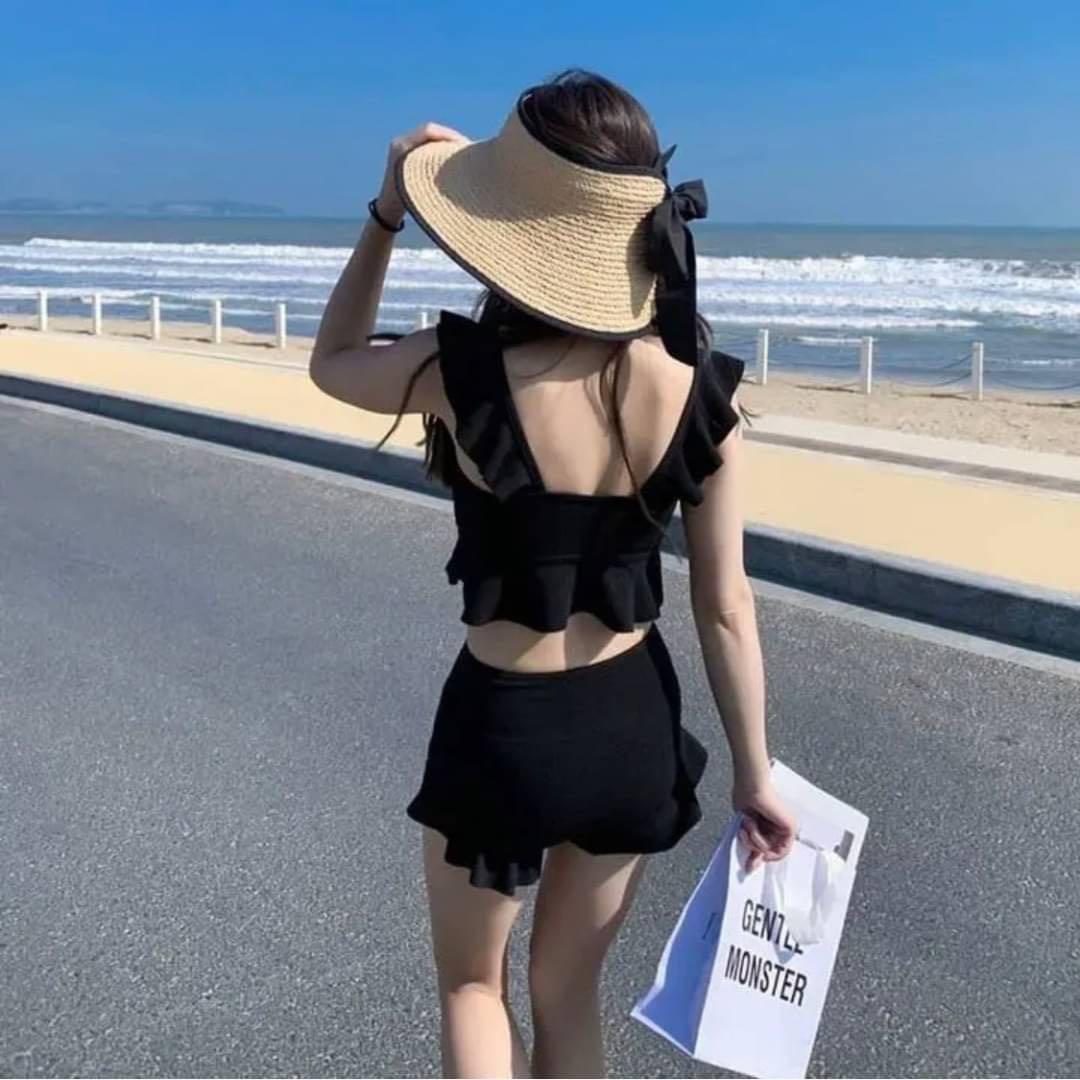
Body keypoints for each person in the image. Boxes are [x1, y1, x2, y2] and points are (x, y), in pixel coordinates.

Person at [309, 69, 796, 1080]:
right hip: (630, 724)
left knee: (472, 987)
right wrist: (756, 775)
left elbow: (333, 360)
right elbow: (726, 607)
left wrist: (386, 214)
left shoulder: (455, 370)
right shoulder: (700, 393)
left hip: (504, 724)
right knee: (567, 994)